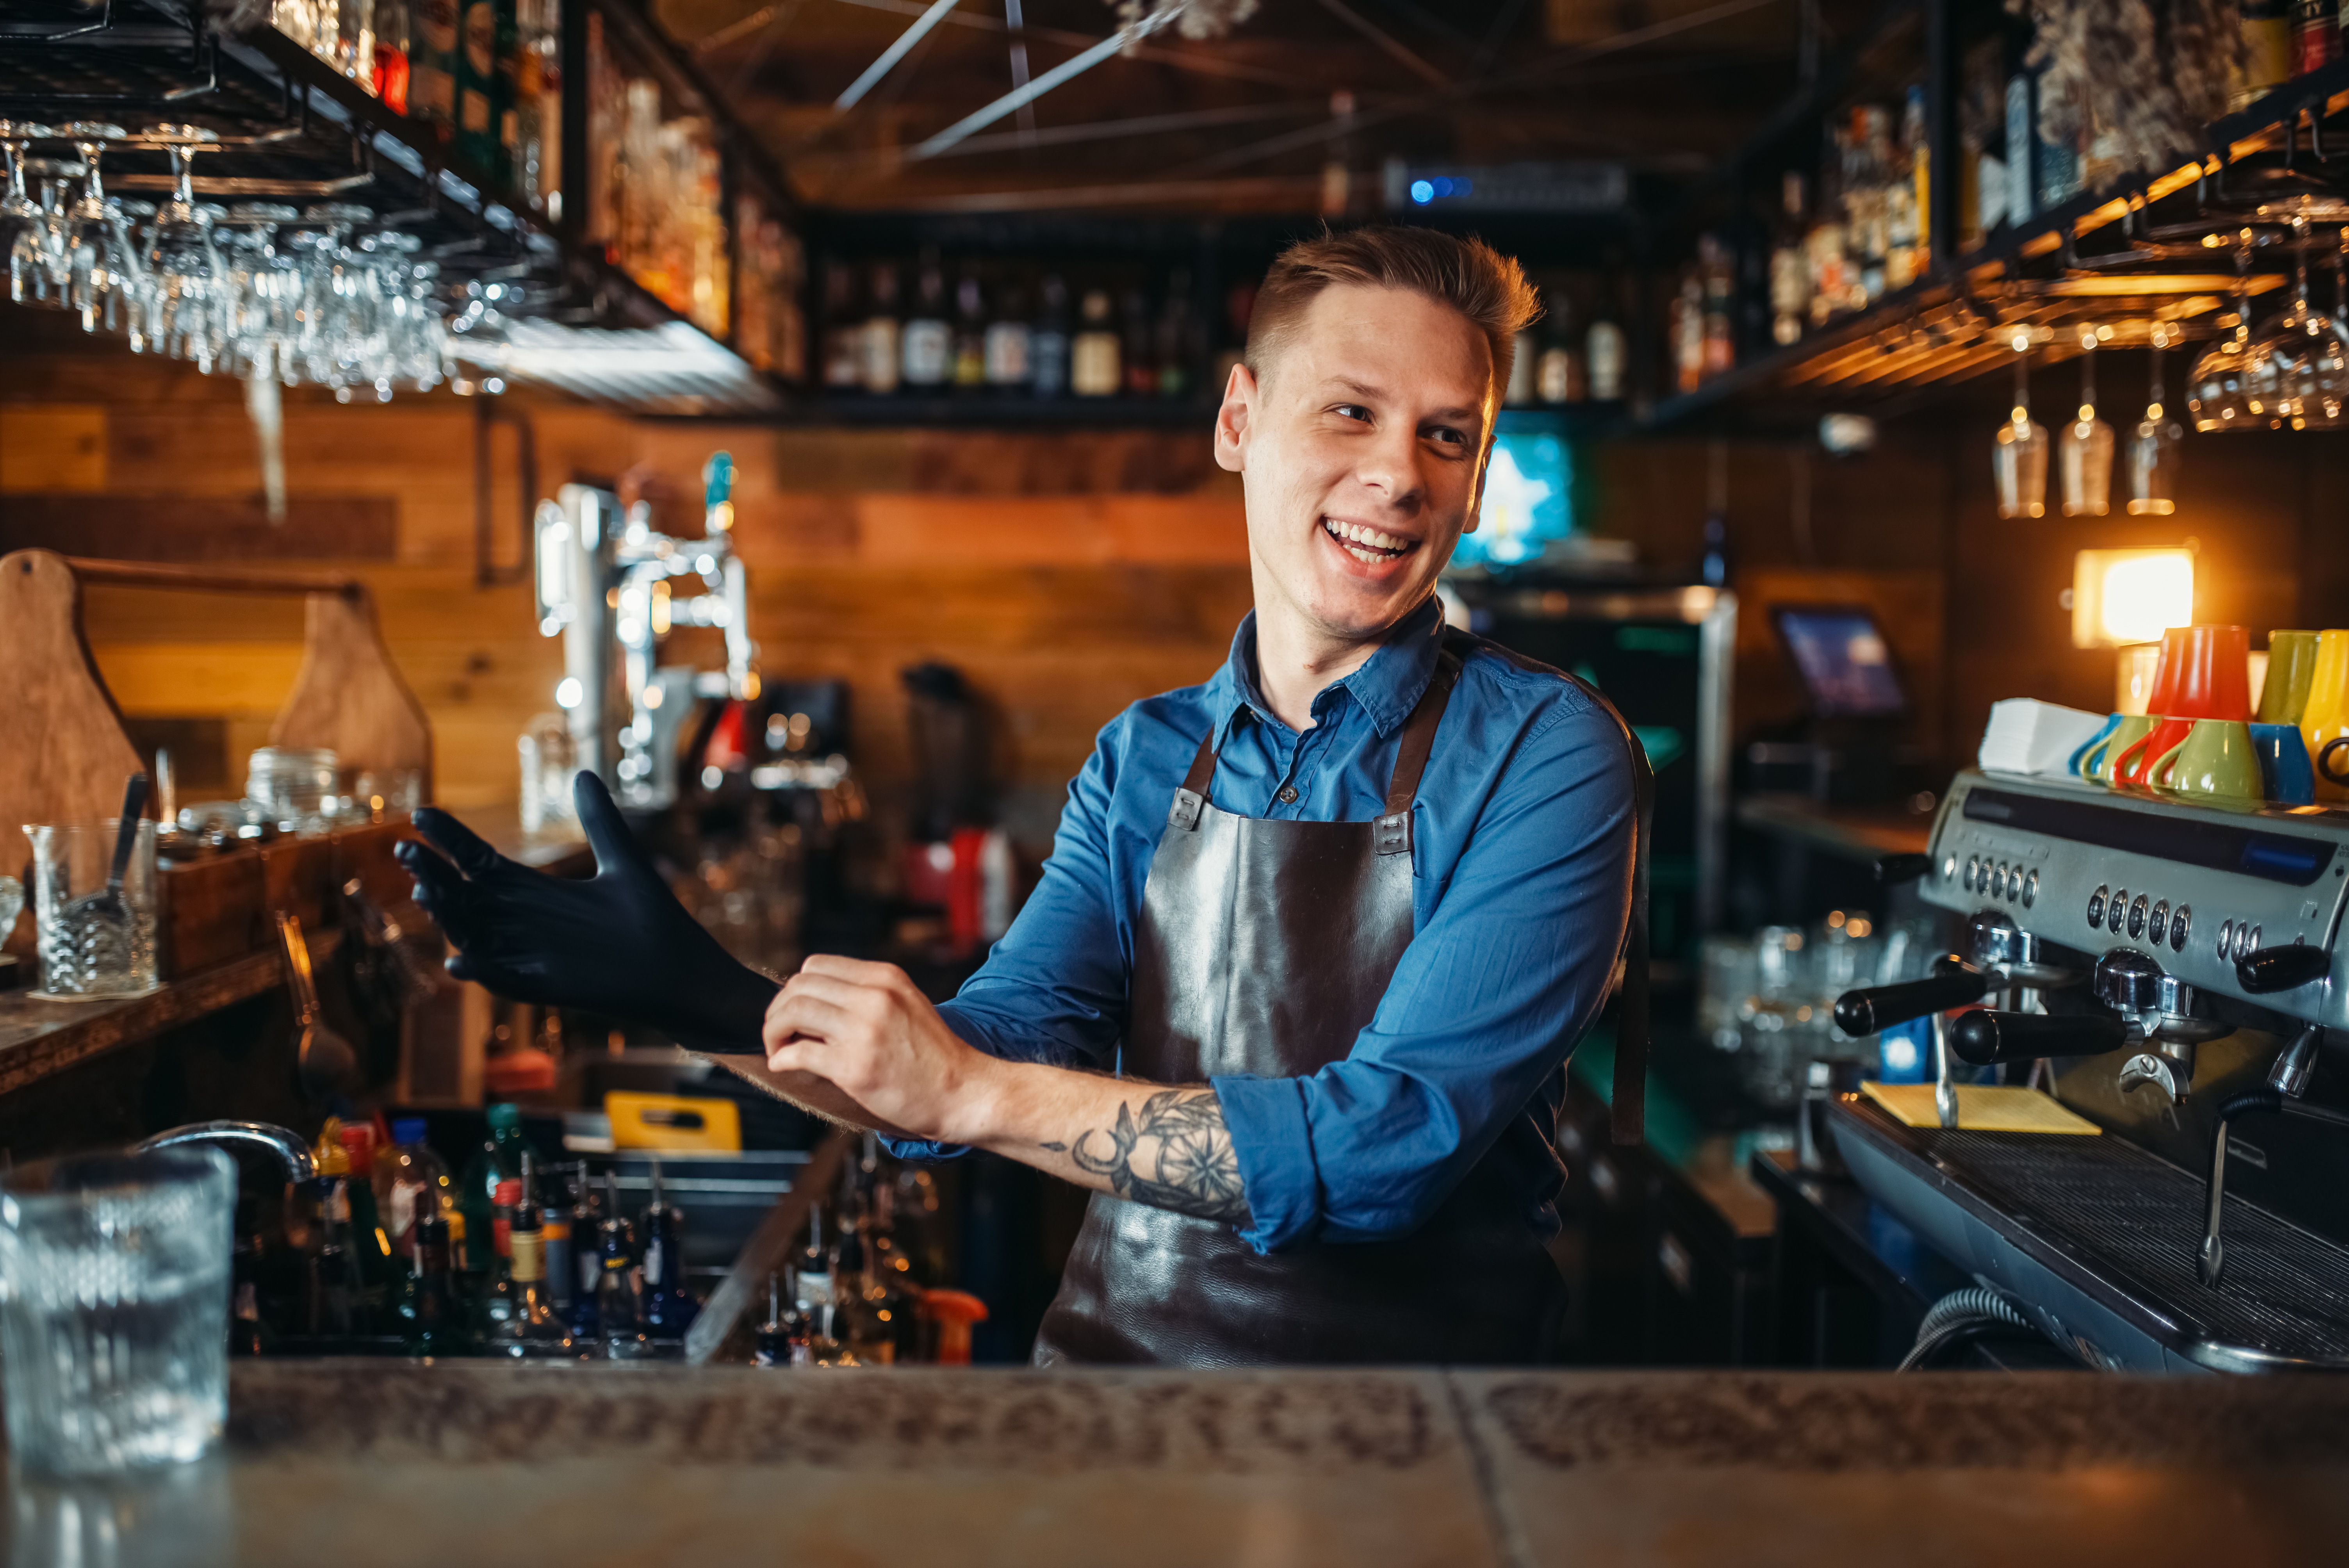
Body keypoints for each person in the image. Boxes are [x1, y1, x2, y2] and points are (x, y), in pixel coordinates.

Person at [399, 226, 1647, 1367]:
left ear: (1478, 481)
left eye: (1445, 435)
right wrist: (709, 1000)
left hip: (1425, 1450)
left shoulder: (1550, 754)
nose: (1399, 476)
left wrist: (969, 1092)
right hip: (1116, 1413)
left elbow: (1390, 1149)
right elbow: (977, 1057)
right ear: (1239, 420)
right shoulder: (1144, 758)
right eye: (1350, 413)